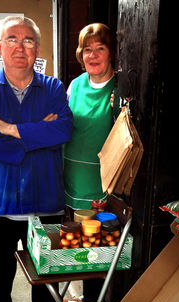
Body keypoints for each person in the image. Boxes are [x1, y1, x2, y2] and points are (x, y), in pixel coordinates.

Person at [0, 16, 73, 302]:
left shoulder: (52, 88)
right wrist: (40, 132)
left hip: (45, 202)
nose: (20, 47)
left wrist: (12, 129)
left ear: (37, 49)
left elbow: (63, 130)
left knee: (47, 287)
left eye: (28, 41)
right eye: (12, 39)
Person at [63, 22, 115, 210]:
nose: (92, 56)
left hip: (102, 184)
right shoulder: (74, 86)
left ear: (111, 53)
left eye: (100, 48)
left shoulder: (119, 89)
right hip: (70, 177)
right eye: (87, 49)